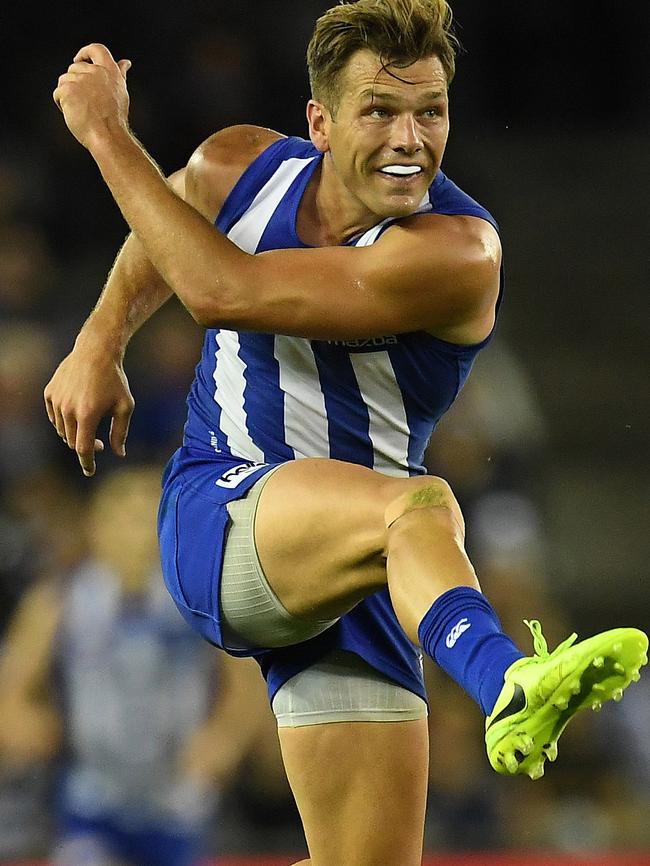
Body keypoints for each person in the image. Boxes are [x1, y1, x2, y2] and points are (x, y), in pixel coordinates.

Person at [45, 1, 647, 863]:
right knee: (421, 505)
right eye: (381, 111)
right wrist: (97, 343)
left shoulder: (455, 253)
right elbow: (167, 237)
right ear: (320, 123)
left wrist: (106, 134)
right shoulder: (236, 168)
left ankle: (505, 681)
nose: (410, 139)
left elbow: (223, 288)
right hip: (223, 513)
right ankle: (507, 681)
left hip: (359, 571)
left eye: (430, 111)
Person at [0, 467, 272, 866]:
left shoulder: (196, 600)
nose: (135, 534)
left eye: (146, 517)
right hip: (91, 798)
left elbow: (247, 689)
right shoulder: (57, 602)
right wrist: (30, 723)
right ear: (95, 526)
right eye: (122, 517)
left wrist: (223, 740)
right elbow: (13, 693)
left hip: (180, 800)